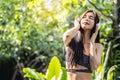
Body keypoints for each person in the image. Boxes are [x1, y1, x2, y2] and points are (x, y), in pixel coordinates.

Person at [62, 10, 103, 80]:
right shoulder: (71, 41)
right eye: (84, 17)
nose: (86, 19)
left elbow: (94, 66)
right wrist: (77, 27)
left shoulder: (98, 46)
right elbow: (66, 36)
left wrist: (92, 41)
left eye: (91, 18)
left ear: (96, 25)